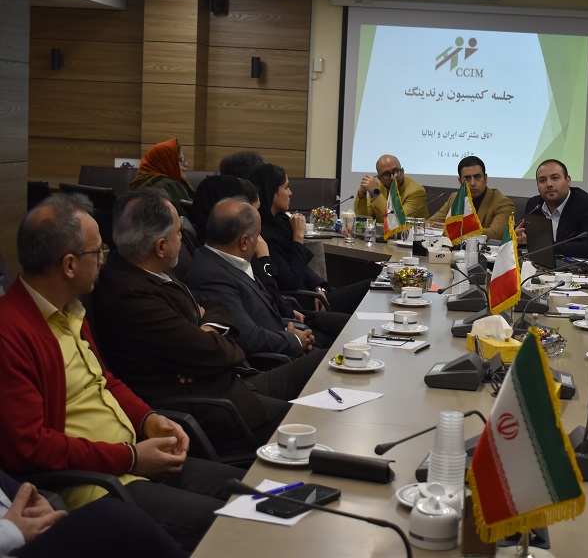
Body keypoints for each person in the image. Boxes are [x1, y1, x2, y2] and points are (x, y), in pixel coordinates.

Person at [0, 194, 244, 552]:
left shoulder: (69, 310)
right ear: (69, 265)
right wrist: (130, 457)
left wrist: (148, 419)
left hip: (134, 458)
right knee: (238, 524)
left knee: (252, 490)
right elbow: (30, 448)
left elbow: (105, 381)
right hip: (99, 487)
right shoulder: (11, 333)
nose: (104, 259)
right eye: (97, 252)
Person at [92, 189, 314, 451]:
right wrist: (208, 338)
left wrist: (206, 329)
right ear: (160, 247)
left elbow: (216, 306)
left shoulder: (150, 269)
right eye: (177, 233)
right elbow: (217, 351)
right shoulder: (130, 295)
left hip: (230, 384)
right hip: (215, 409)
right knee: (314, 422)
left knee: (319, 363)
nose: (182, 238)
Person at [184, 198, 348, 354]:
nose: (260, 242)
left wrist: (288, 327)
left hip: (282, 332)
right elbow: (248, 337)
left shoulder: (229, 258)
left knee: (346, 333)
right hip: (274, 358)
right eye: (258, 235)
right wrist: (294, 340)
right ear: (244, 242)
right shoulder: (211, 276)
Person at [247, 163, 369, 314]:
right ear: (271, 192)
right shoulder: (264, 235)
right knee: (370, 287)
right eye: (286, 187)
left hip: (313, 294)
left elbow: (303, 266)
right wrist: (298, 238)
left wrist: (318, 286)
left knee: (372, 286)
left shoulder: (281, 222)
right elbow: (292, 282)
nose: (290, 192)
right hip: (300, 305)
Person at [0, 469, 186, 557]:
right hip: (100, 476)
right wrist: (11, 531)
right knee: (114, 520)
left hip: (127, 461)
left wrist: (147, 419)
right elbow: (33, 449)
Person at [514, 159, 588, 261]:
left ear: (568, 180)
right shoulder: (534, 204)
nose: (549, 184)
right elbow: (524, 238)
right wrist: (517, 240)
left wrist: (544, 246)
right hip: (542, 264)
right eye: (542, 180)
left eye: (555, 178)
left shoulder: (586, 206)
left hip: (579, 267)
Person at [426, 156, 515, 240]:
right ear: (460, 181)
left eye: (477, 177)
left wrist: (454, 230)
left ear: (485, 178)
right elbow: (429, 223)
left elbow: (496, 235)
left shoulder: (502, 203)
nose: (472, 183)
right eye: (467, 178)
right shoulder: (454, 198)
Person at [130, 138, 194, 217]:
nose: (186, 164)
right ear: (167, 162)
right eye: (180, 160)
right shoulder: (170, 185)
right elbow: (192, 217)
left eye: (184, 160)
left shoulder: (142, 182)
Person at [353, 154, 427, 221]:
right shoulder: (379, 187)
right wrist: (362, 193)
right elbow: (364, 220)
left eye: (396, 171)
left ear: (402, 171)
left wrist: (376, 194)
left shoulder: (416, 191)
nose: (392, 177)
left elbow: (397, 221)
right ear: (380, 179)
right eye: (386, 174)